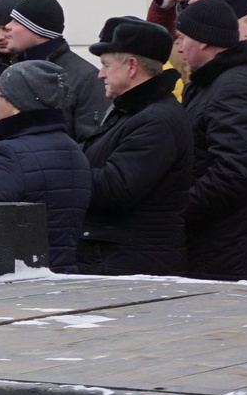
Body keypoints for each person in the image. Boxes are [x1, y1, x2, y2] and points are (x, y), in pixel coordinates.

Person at [173, 0, 247, 282]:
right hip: (224, 242)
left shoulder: (233, 86)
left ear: (205, 41)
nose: (180, 48)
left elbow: (234, 172)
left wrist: (177, 209)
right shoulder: (213, 81)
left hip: (231, 248)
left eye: (183, 38)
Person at [77, 18, 191, 277]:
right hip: (118, 257)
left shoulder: (156, 120)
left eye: (106, 64)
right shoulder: (131, 110)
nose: (100, 74)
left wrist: (61, 171)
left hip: (133, 266)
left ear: (132, 66)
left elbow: (115, 188)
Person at [0, 60, 92, 273]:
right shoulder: (73, 148)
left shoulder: (4, 154)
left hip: (17, 281)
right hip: (65, 274)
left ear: (16, 105)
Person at [0, 0, 107, 140]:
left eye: (16, 21)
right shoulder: (12, 69)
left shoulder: (86, 77)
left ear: (37, 31)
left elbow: (92, 144)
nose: (8, 27)